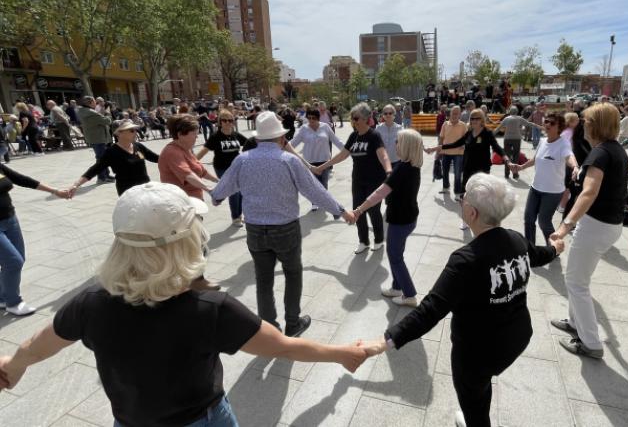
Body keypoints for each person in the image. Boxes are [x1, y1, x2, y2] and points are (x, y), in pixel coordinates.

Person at [0, 182, 368, 426]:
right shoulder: (211, 308)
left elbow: (36, 346)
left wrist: (13, 366)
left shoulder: (90, 303)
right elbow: (286, 346)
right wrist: (341, 354)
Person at [359, 173, 564, 427]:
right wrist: (556, 248)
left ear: (473, 214)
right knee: (479, 388)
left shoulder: (466, 260)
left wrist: (382, 343)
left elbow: (430, 310)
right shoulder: (516, 239)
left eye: (463, 198)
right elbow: (540, 255)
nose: (460, 200)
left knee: (473, 397)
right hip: (516, 337)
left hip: (477, 353)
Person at [211, 112, 357, 336]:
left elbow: (219, 192)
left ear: (258, 138)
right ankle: (293, 323)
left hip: (255, 230)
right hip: (285, 229)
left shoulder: (242, 160)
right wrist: (340, 211)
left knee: (263, 279)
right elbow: (315, 191)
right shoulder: (289, 160)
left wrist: (215, 196)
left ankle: (269, 329)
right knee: (292, 273)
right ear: (281, 138)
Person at [549, 103, 628, 359]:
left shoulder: (601, 154)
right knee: (579, 278)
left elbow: (589, 192)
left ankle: (591, 343)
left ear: (595, 125)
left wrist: (564, 225)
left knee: (575, 282)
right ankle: (576, 323)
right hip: (608, 224)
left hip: (596, 225)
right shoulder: (615, 150)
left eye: (586, 122)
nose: (583, 127)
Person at [354, 130, 423, 307]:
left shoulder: (402, 169)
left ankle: (410, 295)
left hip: (401, 221)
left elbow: (379, 193)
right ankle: (396, 287)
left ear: (407, 145)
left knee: (395, 257)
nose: (395, 145)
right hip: (408, 218)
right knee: (396, 254)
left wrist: (360, 209)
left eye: (398, 142)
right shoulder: (411, 166)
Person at [313, 103, 392, 254]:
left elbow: (383, 155)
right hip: (358, 180)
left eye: (355, 118)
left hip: (375, 179)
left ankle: (379, 240)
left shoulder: (374, 135)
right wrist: (323, 166)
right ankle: (363, 241)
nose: (353, 121)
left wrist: (389, 170)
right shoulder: (353, 136)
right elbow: (342, 154)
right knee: (357, 211)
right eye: (352, 118)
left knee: (373, 211)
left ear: (365, 119)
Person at [0, 165, 70, 316]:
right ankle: (13, 302)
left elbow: (20, 179)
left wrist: (54, 191)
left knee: (18, 259)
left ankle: (2, 296)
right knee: (13, 262)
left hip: (10, 219)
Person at [427, 109, 510, 230]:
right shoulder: (469, 133)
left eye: (477, 118)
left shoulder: (487, 133)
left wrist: (507, 160)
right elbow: (455, 144)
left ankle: (482, 221)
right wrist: (436, 148)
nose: (474, 121)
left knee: (481, 197)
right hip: (468, 169)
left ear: (482, 120)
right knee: (464, 196)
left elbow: (497, 148)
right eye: (472, 118)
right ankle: (466, 220)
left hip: (482, 171)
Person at [514, 112, 577, 245]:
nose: (547, 124)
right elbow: (535, 159)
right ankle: (530, 248)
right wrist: (521, 167)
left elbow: (569, 156)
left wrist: (575, 167)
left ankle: (554, 247)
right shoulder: (542, 141)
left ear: (559, 127)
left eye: (552, 123)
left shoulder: (563, 143)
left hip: (552, 192)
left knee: (544, 222)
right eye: (546, 121)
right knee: (529, 219)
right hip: (535, 188)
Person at [70, 121, 159, 196]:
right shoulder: (112, 152)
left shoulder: (138, 146)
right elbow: (95, 169)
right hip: (128, 192)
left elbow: (156, 158)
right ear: (119, 133)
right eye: (131, 130)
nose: (136, 133)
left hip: (145, 188)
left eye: (136, 130)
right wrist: (76, 184)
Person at [196, 110, 247, 227]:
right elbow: (204, 151)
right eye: (224, 120)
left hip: (237, 167)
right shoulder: (216, 136)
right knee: (234, 191)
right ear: (220, 122)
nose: (228, 123)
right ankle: (236, 218)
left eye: (230, 120)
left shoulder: (236, 135)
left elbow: (250, 144)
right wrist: (192, 162)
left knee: (240, 191)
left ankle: (238, 214)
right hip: (222, 167)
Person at [288, 108, 345, 209]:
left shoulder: (325, 127)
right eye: (309, 118)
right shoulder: (303, 129)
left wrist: (347, 150)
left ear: (318, 118)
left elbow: (336, 140)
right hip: (309, 162)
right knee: (312, 184)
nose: (311, 120)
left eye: (313, 118)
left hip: (324, 160)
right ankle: (314, 202)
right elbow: (293, 143)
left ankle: (324, 202)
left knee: (323, 184)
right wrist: (281, 147)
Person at [159, 114, 219, 201]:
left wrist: (219, 181)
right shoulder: (172, 152)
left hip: (194, 200)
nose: (197, 136)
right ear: (180, 134)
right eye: (194, 133)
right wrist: (209, 189)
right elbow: (188, 175)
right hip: (181, 203)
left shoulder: (186, 149)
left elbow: (202, 172)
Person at [77, 96, 115, 183]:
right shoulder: (91, 112)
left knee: (102, 157)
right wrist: (108, 113)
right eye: (95, 102)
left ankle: (106, 175)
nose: (96, 103)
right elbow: (107, 121)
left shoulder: (84, 111)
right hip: (98, 138)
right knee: (101, 159)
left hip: (94, 137)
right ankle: (101, 177)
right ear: (89, 103)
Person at [497, 106, 541, 179]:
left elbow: (498, 128)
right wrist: (538, 126)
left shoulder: (506, 119)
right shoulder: (519, 118)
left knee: (507, 156)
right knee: (516, 156)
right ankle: (515, 174)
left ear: (510, 112)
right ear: (517, 112)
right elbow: (529, 123)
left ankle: (506, 174)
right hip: (517, 139)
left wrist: (490, 135)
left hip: (507, 138)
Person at [438, 105, 467, 197]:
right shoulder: (445, 124)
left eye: (457, 113)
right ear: (450, 114)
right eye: (453, 113)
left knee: (457, 173)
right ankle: (446, 187)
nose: (454, 115)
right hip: (446, 152)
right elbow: (441, 138)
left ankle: (457, 192)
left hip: (458, 153)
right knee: (445, 171)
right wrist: (439, 150)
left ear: (460, 115)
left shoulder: (463, 125)